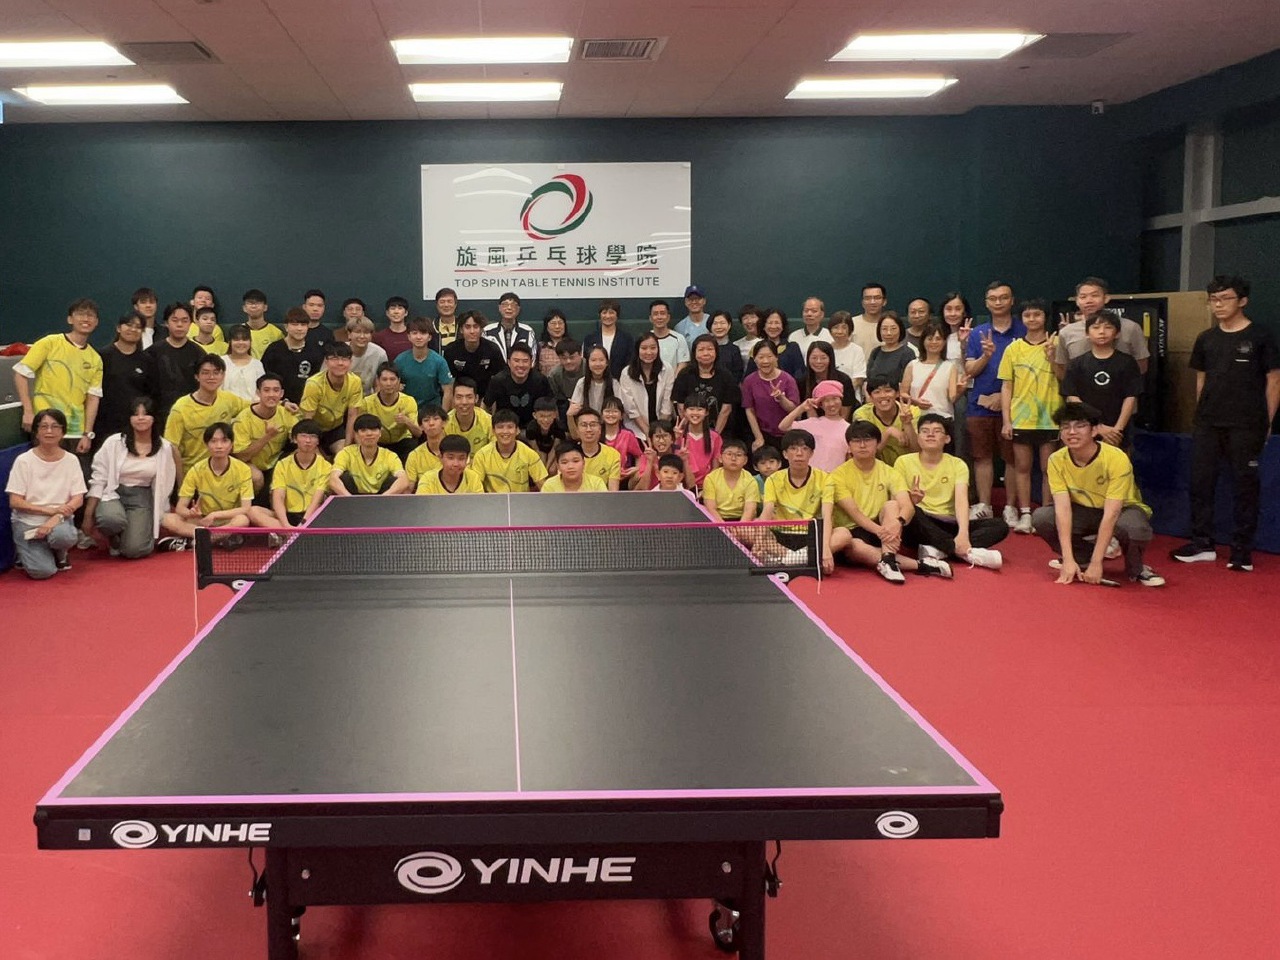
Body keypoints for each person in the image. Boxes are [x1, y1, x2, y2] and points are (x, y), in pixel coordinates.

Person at [1172, 275, 1280, 571]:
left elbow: (1273, 380)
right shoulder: (1206, 338)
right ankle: (1202, 543)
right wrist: (1200, 414)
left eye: (1225, 299)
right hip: (1208, 422)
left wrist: (1268, 421)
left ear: (1242, 301)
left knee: (1245, 485)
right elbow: (1201, 379)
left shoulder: (1260, 336)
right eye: (1213, 299)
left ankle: (1241, 550)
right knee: (1200, 482)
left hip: (1247, 423)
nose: (1218, 305)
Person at [1033, 402, 1164, 587]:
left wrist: (1097, 563)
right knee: (1042, 517)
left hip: (1123, 509)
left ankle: (1136, 568)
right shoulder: (1056, 460)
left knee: (1134, 527)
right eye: (1065, 427)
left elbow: (1112, 513)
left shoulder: (1116, 458)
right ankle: (1080, 560)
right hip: (1084, 511)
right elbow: (1062, 510)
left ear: (1094, 431)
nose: (1072, 432)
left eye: (1080, 426)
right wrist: (1068, 558)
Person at [826, 421, 952, 583]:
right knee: (855, 546)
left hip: (883, 527)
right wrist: (882, 532)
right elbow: (855, 513)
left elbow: (907, 506)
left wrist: (898, 523)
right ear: (849, 446)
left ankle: (888, 559)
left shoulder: (889, 471)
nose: (862, 445)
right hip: (855, 531)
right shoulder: (838, 476)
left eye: (868, 440)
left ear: (878, 443)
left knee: (892, 505)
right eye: (856, 441)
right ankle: (919, 565)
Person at [896, 413, 1005, 570]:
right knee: (912, 512)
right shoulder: (903, 462)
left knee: (999, 525)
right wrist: (912, 501)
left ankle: (939, 550)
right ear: (918, 438)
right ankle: (963, 552)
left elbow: (961, 501)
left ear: (947, 439)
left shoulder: (957, 464)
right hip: (921, 522)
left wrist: (963, 533)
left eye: (936, 431)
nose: (930, 435)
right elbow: (899, 500)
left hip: (948, 521)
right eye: (925, 431)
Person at [82, 397, 178, 559]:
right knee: (111, 519)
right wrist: (87, 516)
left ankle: (129, 536)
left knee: (134, 550)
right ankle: (113, 537)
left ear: (154, 418)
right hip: (113, 492)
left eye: (145, 414)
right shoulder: (114, 442)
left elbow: (165, 486)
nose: (140, 418)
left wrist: (160, 515)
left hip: (141, 497)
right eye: (136, 414)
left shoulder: (165, 448)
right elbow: (98, 479)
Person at [965, 281, 1026, 522]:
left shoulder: (1024, 329)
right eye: (993, 298)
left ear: (1012, 300)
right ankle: (984, 505)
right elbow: (970, 369)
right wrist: (986, 355)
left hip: (1015, 406)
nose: (998, 302)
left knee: (1012, 458)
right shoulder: (977, 333)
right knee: (982, 457)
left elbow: (1031, 370)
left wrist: (1004, 397)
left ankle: (1010, 507)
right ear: (986, 303)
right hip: (979, 406)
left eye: (1003, 297)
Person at [998, 299, 1061, 534]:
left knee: (1048, 469)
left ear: (1045, 317)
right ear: (1021, 319)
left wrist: (1053, 356)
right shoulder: (1013, 348)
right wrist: (1007, 420)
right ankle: (1025, 514)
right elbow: (1006, 386)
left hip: (1050, 418)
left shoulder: (1057, 343)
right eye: (1027, 315)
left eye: (1037, 314)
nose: (1032, 319)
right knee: (1022, 467)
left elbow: (1065, 377)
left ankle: (1044, 515)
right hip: (1021, 418)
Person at [14, 298, 103, 452]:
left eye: (90, 315)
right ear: (70, 319)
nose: (86, 319)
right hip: (45, 427)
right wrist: (28, 412)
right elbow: (20, 374)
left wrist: (87, 434)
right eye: (81, 314)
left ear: (96, 322)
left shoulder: (95, 358)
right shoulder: (50, 343)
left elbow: (93, 398)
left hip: (75, 432)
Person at [6, 409, 86, 578]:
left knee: (64, 536)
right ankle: (26, 551)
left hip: (59, 520)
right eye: (44, 426)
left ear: (63, 431)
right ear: (36, 431)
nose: (49, 431)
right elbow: (15, 501)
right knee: (42, 572)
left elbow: (78, 498)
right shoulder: (24, 461)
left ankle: (59, 552)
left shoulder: (71, 460)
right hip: (28, 523)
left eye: (55, 426)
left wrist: (54, 519)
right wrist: (49, 511)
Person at [160, 422, 253, 547]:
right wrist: (191, 513)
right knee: (167, 519)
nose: (219, 446)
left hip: (228, 519)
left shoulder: (243, 470)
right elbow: (180, 508)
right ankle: (216, 538)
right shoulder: (196, 470)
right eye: (213, 441)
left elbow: (246, 508)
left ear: (232, 445)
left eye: (224, 441)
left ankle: (199, 540)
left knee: (243, 520)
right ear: (206, 445)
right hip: (202, 521)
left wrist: (215, 515)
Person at [1061, 313, 1142, 450]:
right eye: (1096, 327)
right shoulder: (1076, 364)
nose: (1102, 332)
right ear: (1087, 333)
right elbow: (1072, 397)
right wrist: (1096, 426)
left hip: (1118, 430)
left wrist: (1117, 430)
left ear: (1117, 333)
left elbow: (1130, 397)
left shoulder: (1127, 362)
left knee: (1118, 462)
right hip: (1086, 429)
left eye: (1108, 327)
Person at [759, 428, 833, 571]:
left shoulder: (825, 478)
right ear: (785, 454)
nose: (799, 453)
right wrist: (759, 541)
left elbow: (827, 515)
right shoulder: (773, 479)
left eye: (804, 449)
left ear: (811, 453)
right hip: (781, 533)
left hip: (811, 536)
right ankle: (803, 558)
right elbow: (767, 511)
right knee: (750, 528)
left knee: (843, 534)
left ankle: (789, 559)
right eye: (793, 448)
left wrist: (825, 550)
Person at [164, 354, 248, 476]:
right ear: (197, 376)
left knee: (255, 477)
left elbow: (253, 407)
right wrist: (181, 482)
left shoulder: (228, 399)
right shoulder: (181, 408)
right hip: (193, 472)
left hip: (223, 468)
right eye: (205, 373)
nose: (211, 377)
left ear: (223, 376)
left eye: (216, 373)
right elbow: (172, 447)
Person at [1052, 277, 1150, 380]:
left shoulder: (1131, 327)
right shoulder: (1066, 332)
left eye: (1094, 295)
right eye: (1083, 297)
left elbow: (1142, 366)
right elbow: (1064, 371)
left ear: (1106, 298)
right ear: (1076, 301)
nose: (1089, 301)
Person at [250, 419, 330, 529]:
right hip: (287, 516)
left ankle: (291, 533)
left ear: (318, 441)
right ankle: (289, 532)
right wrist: (286, 524)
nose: (308, 440)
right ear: (294, 439)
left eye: (313, 437)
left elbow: (317, 499)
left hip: (312, 516)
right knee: (253, 511)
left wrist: (303, 523)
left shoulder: (325, 466)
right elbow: (278, 497)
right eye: (303, 436)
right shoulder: (282, 464)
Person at [232, 372, 297, 492]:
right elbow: (241, 456)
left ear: (281, 393)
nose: (271, 395)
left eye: (276, 390)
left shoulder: (286, 413)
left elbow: (300, 436)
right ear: (258, 393)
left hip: (276, 461)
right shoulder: (243, 419)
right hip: (249, 463)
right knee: (256, 477)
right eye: (266, 390)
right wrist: (268, 436)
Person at [94, 312, 152, 442]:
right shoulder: (102, 356)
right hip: (104, 425)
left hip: (134, 426)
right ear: (119, 328)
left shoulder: (147, 360)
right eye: (129, 325)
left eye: (138, 327)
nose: (133, 329)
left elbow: (150, 395)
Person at [300, 342, 362, 455]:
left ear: (351, 362)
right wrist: (312, 447)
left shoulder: (355, 381)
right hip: (313, 428)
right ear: (326, 361)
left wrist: (347, 447)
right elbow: (308, 419)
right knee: (316, 460)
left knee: (343, 455)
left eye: (344, 359)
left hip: (335, 429)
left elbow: (352, 415)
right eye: (334, 359)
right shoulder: (314, 384)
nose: (340, 363)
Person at [672, 334, 739, 436]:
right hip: (690, 431)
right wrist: (693, 433)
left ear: (716, 352)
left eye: (710, 349)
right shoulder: (684, 375)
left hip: (721, 432)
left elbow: (726, 410)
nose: (706, 353)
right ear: (694, 353)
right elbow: (681, 407)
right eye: (701, 350)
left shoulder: (726, 376)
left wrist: (714, 436)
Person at [742, 339, 800, 454]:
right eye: (761, 357)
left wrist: (781, 398)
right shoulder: (749, 381)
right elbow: (749, 410)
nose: (765, 361)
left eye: (769, 356)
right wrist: (759, 437)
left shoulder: (788, 379)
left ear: (776, 357)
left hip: (787, 434)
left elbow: (794, 410)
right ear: (754, 359)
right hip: (763, 433)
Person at [329, 413, 410, 495]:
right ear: (356, 434)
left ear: (380, 433)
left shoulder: (390, 455)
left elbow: (404, 480)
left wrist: (383, 497)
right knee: (344, 478)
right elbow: (333, 479)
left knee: (393, 480)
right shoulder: (346, 453)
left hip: (381, 496)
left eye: (374, 430)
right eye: (363, 430)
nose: (369, 434)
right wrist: (349, 498)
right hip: (352, 495)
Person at [471, 408, 549, 492]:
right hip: (492, 500)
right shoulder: (482, 455)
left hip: (520, 499)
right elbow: (475, 489)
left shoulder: (529, 453)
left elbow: (542, 485)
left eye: (510, 427)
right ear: (493, 431)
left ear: (517, 430)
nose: (505, 431)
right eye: (500, 427)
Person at [778, 380, 849, 472]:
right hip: (810, 477)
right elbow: (783, 426)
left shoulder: (848, 428)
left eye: (835, 398)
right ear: (821, 405)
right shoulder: (812, 423)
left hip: (834, 477)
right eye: (826, 401)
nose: (831, 404)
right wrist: (801, 408)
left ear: (841, 400)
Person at [261, 307, 326, 406]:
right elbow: (265, 380)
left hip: (308, 405)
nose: (299, 329)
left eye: (303, 325)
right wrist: (282, 402)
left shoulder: (316, 350)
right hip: (278, 405)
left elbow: (320, 381)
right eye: (294, 324)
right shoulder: (274, 350)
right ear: (286, 327)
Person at [618, 332, 676, 441]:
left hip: (662, 427)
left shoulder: (667, 369)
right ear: (637, 350)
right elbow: (631, 409)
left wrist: (658, 432)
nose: (649, 352)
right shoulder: (627, 373)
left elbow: (667, 403)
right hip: (636, 429)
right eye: (644, 348)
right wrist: (648, 433)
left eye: (653, 348)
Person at [357, 363, 420, 461]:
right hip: (377, 443)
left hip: (402, 442)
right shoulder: (367, 402)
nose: (388, 384)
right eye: (384, 379)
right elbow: (358, 431)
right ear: (378, 381)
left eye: (392, 379)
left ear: (398, 381)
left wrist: (406, 421)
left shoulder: (409, 401)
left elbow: (418, 433)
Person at [852, 376, 920, 466]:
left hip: (908, 467)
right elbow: (867, 455)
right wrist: (888, 432)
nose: (883, 395)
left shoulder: (912, 411)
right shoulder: (862, 415)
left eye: (888, 391)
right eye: (877, 392)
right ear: (870, 397)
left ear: (897, 393)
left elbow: (917, 451)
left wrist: (907, 423)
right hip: (876, 469)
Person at [484, 343, 553, 430]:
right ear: (509, 362)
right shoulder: (498, 381)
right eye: (516, 361)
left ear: (531, 363)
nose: (521, 365)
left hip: (533, 429)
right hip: (505, 428)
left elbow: (550, 407)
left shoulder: (540, 380)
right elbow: (486, 405)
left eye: (525, 361)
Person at [394, 316, 454, 413]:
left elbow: (448, 391)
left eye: (423, 333)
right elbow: (391, 385)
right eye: (414, 333)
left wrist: (442, 416)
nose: (418, 337)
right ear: (409, 336)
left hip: (432, 410)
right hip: (407, 409)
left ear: (429, 337)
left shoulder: (439, 361)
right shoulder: (400, 360)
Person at [901, 323, 960, 421]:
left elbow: (952, 398)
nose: (934, 342)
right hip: (917, 418)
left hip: (942, 418)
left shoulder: (950, 367)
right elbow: (903, 393)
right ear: (923, 341)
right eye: (930, 339)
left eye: (938, 339)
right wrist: (915, 401)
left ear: (944, 342)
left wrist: (960, 388)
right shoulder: (912, 365)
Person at [443, 311, 505, 397]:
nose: (472, 331)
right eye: (467, 327)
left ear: (481, 330)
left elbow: (501, 377)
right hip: (461, 397)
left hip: (485, 396)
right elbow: (448, 383)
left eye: (476, 327)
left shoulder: (492, 349)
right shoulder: (451, 350)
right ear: (461, 330)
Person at [702, 438, 760, 522]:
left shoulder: (750, 480)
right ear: (720, 458)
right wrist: (723, 527)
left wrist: (740, 527)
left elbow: (749, 510)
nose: (733, 458)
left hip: (742, 521)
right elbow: (711, 508)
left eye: (738, 455)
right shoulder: (711, 478)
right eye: (729, 454)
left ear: (745, 460)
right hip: (717, 521)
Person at [567, 346, 620, 435]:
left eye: (601, 360)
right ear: (587, 362)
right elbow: (573, 409)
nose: (597, 364)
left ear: (607, 362)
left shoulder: (614, 384)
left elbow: (619, 410)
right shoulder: (582, 383)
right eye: (593, 360)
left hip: (609, 428)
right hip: (588, 428)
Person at [581, 298, 635, 379]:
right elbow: (585, 363)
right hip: (595, 381)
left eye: (611, 312)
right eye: (604, 312)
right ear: (600, 315)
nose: (608, 316)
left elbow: (630, 363)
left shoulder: (627, 339)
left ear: (617, 315)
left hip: (621, 381)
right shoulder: (589, 339)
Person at [674, 395, 721, 489]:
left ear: (706, 412)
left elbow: (715, 467)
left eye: (700, 409)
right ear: (684, 412)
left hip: (706, 486)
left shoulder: (715, 437)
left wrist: (707, 488)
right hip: (681, 486)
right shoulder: (679, 435)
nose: (695, 413)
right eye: (691, 409)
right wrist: (676, 438)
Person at [746, 308, 806, 380]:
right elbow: (749, 378)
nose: (773, 326)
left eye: (777, 323)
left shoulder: (792, 348)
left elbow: (800, 375)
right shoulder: (756, 349)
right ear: (763, 326)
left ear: (783, 326)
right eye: (770, 323)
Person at [800, 341, 856, 416]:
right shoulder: (802, 381)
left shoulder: (843, 380)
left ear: (830, 359)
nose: (818, 361)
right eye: (814, 358)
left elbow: (845, 415)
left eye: (823, 358)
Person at [573, 407, 622, 491]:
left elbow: (613, 491)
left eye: (593, 425)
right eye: (584, 425)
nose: (589, 429)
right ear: (577, 430)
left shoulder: (613, 455)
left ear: (600, 429)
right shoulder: (568, 455)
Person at [416, 434, 483, 495]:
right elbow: (423, 504)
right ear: (440, 457)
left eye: (461, 458)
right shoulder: (428, 479)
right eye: (450, 458)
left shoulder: (473, 478)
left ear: (467, 459)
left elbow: (479, 503)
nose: (456, 464)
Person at [865, 311, 918, 388]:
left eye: (893, 329)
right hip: (875, 394)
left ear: (900, 329)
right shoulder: (876, 352)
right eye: (884, 329)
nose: (889, 333)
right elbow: (868, 379)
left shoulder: (907, 353)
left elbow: (908, 382)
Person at [484, 292, 538, 363]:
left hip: (520, 368)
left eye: (513, 305)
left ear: (518, 309)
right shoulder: (487, 331)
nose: (509, 308)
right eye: (505, 304)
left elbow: (532, 358)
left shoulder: (527, 331)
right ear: (499, 308)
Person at [404, 405, 448, 489]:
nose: (431, 423)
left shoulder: (457, 449)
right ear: (421, 426)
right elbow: (409, 488)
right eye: (426, 420)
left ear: (444, 423)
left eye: (436, 419)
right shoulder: (414, 455)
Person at [445, 377, 492, 453]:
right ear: (453, 399)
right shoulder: (444, 423)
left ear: (476, 398)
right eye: (459, 397)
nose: (464, 402)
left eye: (469, 397)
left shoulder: (488, 421)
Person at [601, 396, 644, 478]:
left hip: (623, 476)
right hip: (601, 477)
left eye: (615, 411)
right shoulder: (596, 434)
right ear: (601, 415)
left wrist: (636, 469)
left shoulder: (627, 435)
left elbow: (639, 456)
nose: (610, 414)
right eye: (607, 411)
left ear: (621, 416)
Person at [542, 441, 609, 493]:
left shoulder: (596, 483)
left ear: (583, 463)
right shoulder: (549, 485)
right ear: (558, 466)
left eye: (576, 461)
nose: (570, 466)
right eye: (564, 462)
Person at [221, 324, 266, 402]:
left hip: (252, 407)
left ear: (250, 342)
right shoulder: (221, 362)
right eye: (236, 339)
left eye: (245, 339)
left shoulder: (257, 364)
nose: (241, 342)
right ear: (229, 342)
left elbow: (262, 390)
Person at [629, 420, 679, 491]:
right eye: (657, 437)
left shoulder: (679, 454)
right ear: (651, 440)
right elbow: (641, 489)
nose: (661, 441)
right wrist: (650, 462)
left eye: (665, 436)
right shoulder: (646, 456)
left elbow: (690, 485)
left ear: (672, 439)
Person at [828, 311, 867, 398]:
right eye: (836, 327)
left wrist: (841, 393)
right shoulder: (826, 349)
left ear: (850, 330)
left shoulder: (856, 350)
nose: (839, 331)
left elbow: (858, 379)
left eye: (844, 327)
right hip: (828, 397)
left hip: (850, 396)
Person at [524, 397, 568, 473]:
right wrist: (543, 468)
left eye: (549, 416)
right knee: (540, 462)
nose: (546, 420)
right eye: (542, 416)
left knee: (552, 470)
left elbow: (555, 448)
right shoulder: (531, 428)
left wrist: (546, 468)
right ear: (534, 415)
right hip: (539, 450)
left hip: (555, 451)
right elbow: (535, 449)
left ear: (555, 415)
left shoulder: (559, 427)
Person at [347, 316, 388, 395]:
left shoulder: (380, 353)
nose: (362, 336)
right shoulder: (339, 352)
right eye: (358, 332)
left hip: (368, 397)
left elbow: (381, 383)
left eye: (366, 333)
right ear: (349, 334)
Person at [649, 299, 691, 374]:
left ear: (668, 317)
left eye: (662, 313)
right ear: (650, 318)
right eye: (655, 314)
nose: (659, 317)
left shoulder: (679, 338)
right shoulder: (645, 339)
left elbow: (683, 363)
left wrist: (674, 379)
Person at [547, 338, 584, 421]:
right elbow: (554, 400)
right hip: (565, 406)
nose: (568, 361)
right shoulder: (554, 375)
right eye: (564, 358)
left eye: (572, 357)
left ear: (580, 354)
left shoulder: (589, 368)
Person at [850, 283, 889, 360]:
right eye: (867, 298)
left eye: (877, 298)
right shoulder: (851, 324)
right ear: (862, 302)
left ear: (884, 301)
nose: (872, 302)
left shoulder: (891, 326)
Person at [240, 289, 282, 359]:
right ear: (244, 308)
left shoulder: (276, 333)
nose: (254, 306)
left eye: (258, 303)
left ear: (265, 307)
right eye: (250, 303)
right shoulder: (238, 331)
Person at [708, 310, 746, 383]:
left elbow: (738, 374)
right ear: (710, 327)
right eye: (715, 323)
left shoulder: (734, 349)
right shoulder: (705, 348)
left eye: (722, 323)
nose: (719, 327)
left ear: (729, 325)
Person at [374, 295, 412, 361]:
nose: (396, 312)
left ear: (406, 313)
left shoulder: (413, 334)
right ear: (387, 313)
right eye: (392, 308)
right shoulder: (379, 337)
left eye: (400, 308)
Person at [539, 309, 569, 374]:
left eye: (560, 323)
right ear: (546, 327)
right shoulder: (539, 348)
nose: (557, 326)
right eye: (553, 323)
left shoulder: (572, 345)